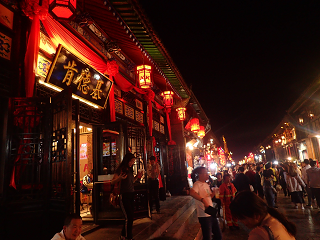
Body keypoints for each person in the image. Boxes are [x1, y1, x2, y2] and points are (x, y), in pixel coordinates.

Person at [230, 191, 296, 240]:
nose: (240, 221)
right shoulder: (277, 220)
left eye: (242, 218)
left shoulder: (259, 234)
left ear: (256, 215)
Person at [111, 153, 143, 240]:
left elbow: (131, 182)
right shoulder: (120, 169)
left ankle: (123, 235)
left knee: (130, 217)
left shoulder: (130, 169)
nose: (132, 163)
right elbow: (112, 181)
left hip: (131, 194)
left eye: (133, 161)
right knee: (128, 217)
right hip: (124, 195)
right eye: (131, 161)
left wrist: (137, 177)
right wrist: (120, 178)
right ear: (127, 160)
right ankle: (128, 237)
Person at [190, 167, 222, 240]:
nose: (207, 174)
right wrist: (202, 200)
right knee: (207, 237)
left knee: (218, 236)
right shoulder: (197, 184)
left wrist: (214, 192)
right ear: (200, 174)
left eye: (207, 172)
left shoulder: (206, 184)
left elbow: (209, 196)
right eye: (205, 173)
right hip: (204, 215)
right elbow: (192, 192)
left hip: (211, 212)